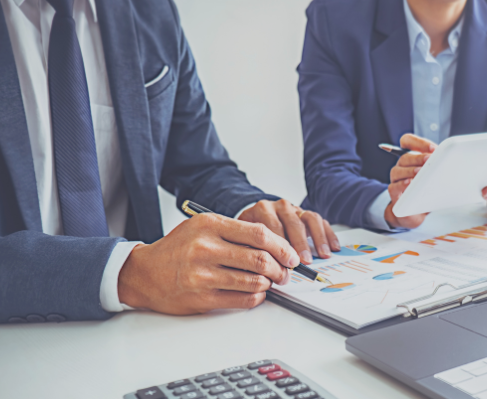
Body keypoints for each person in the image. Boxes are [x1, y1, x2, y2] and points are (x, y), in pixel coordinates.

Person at [0, 0, 340, 324]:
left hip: (137, 328)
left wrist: (246, 209)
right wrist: (127, 272)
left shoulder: (151, 11)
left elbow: (198, 164)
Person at [298, 0, 487, 231]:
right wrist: (392, 206)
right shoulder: (335, 18)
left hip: (471, 239)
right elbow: (327, 172)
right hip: (362, 237)